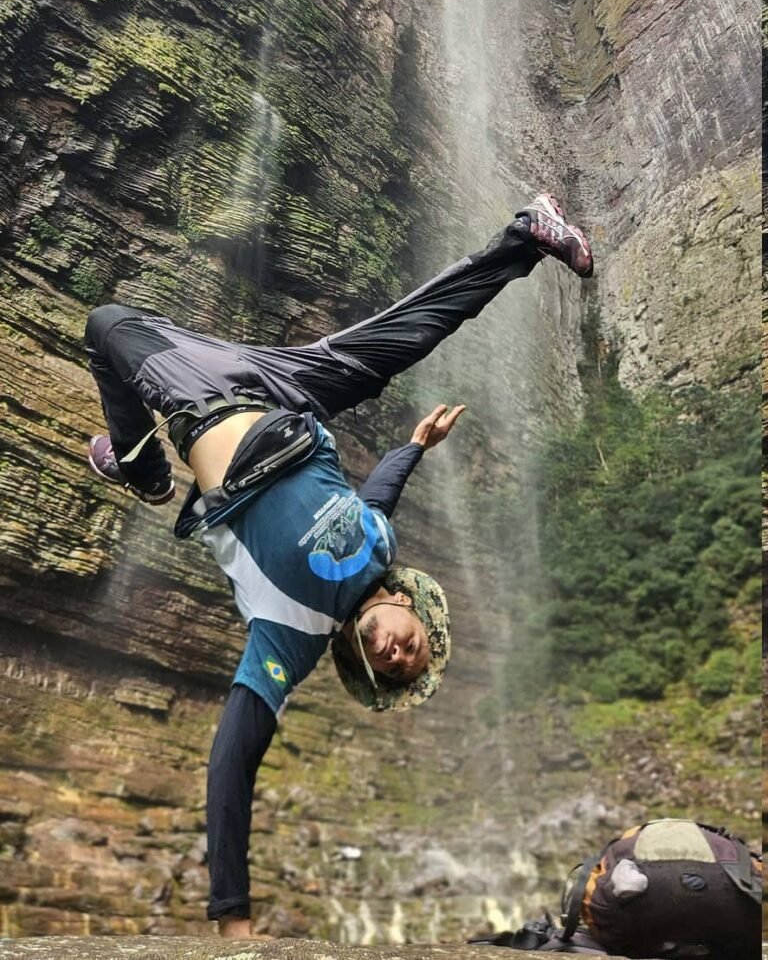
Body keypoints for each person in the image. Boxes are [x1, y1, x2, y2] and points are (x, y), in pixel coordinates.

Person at [85, 192, 592, 935]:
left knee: (105, 326)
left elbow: (232, 761)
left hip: (211, 409)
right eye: (411, 649)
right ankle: (527, 234)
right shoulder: (382, 549)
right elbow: (382, 491)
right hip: (288, 394)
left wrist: (232, 914)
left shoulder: (291, 634)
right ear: (412, 611)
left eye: (390, 668)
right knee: (400, 341)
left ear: (364, 664)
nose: (395, 652)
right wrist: (417, 446)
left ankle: (143, 470)